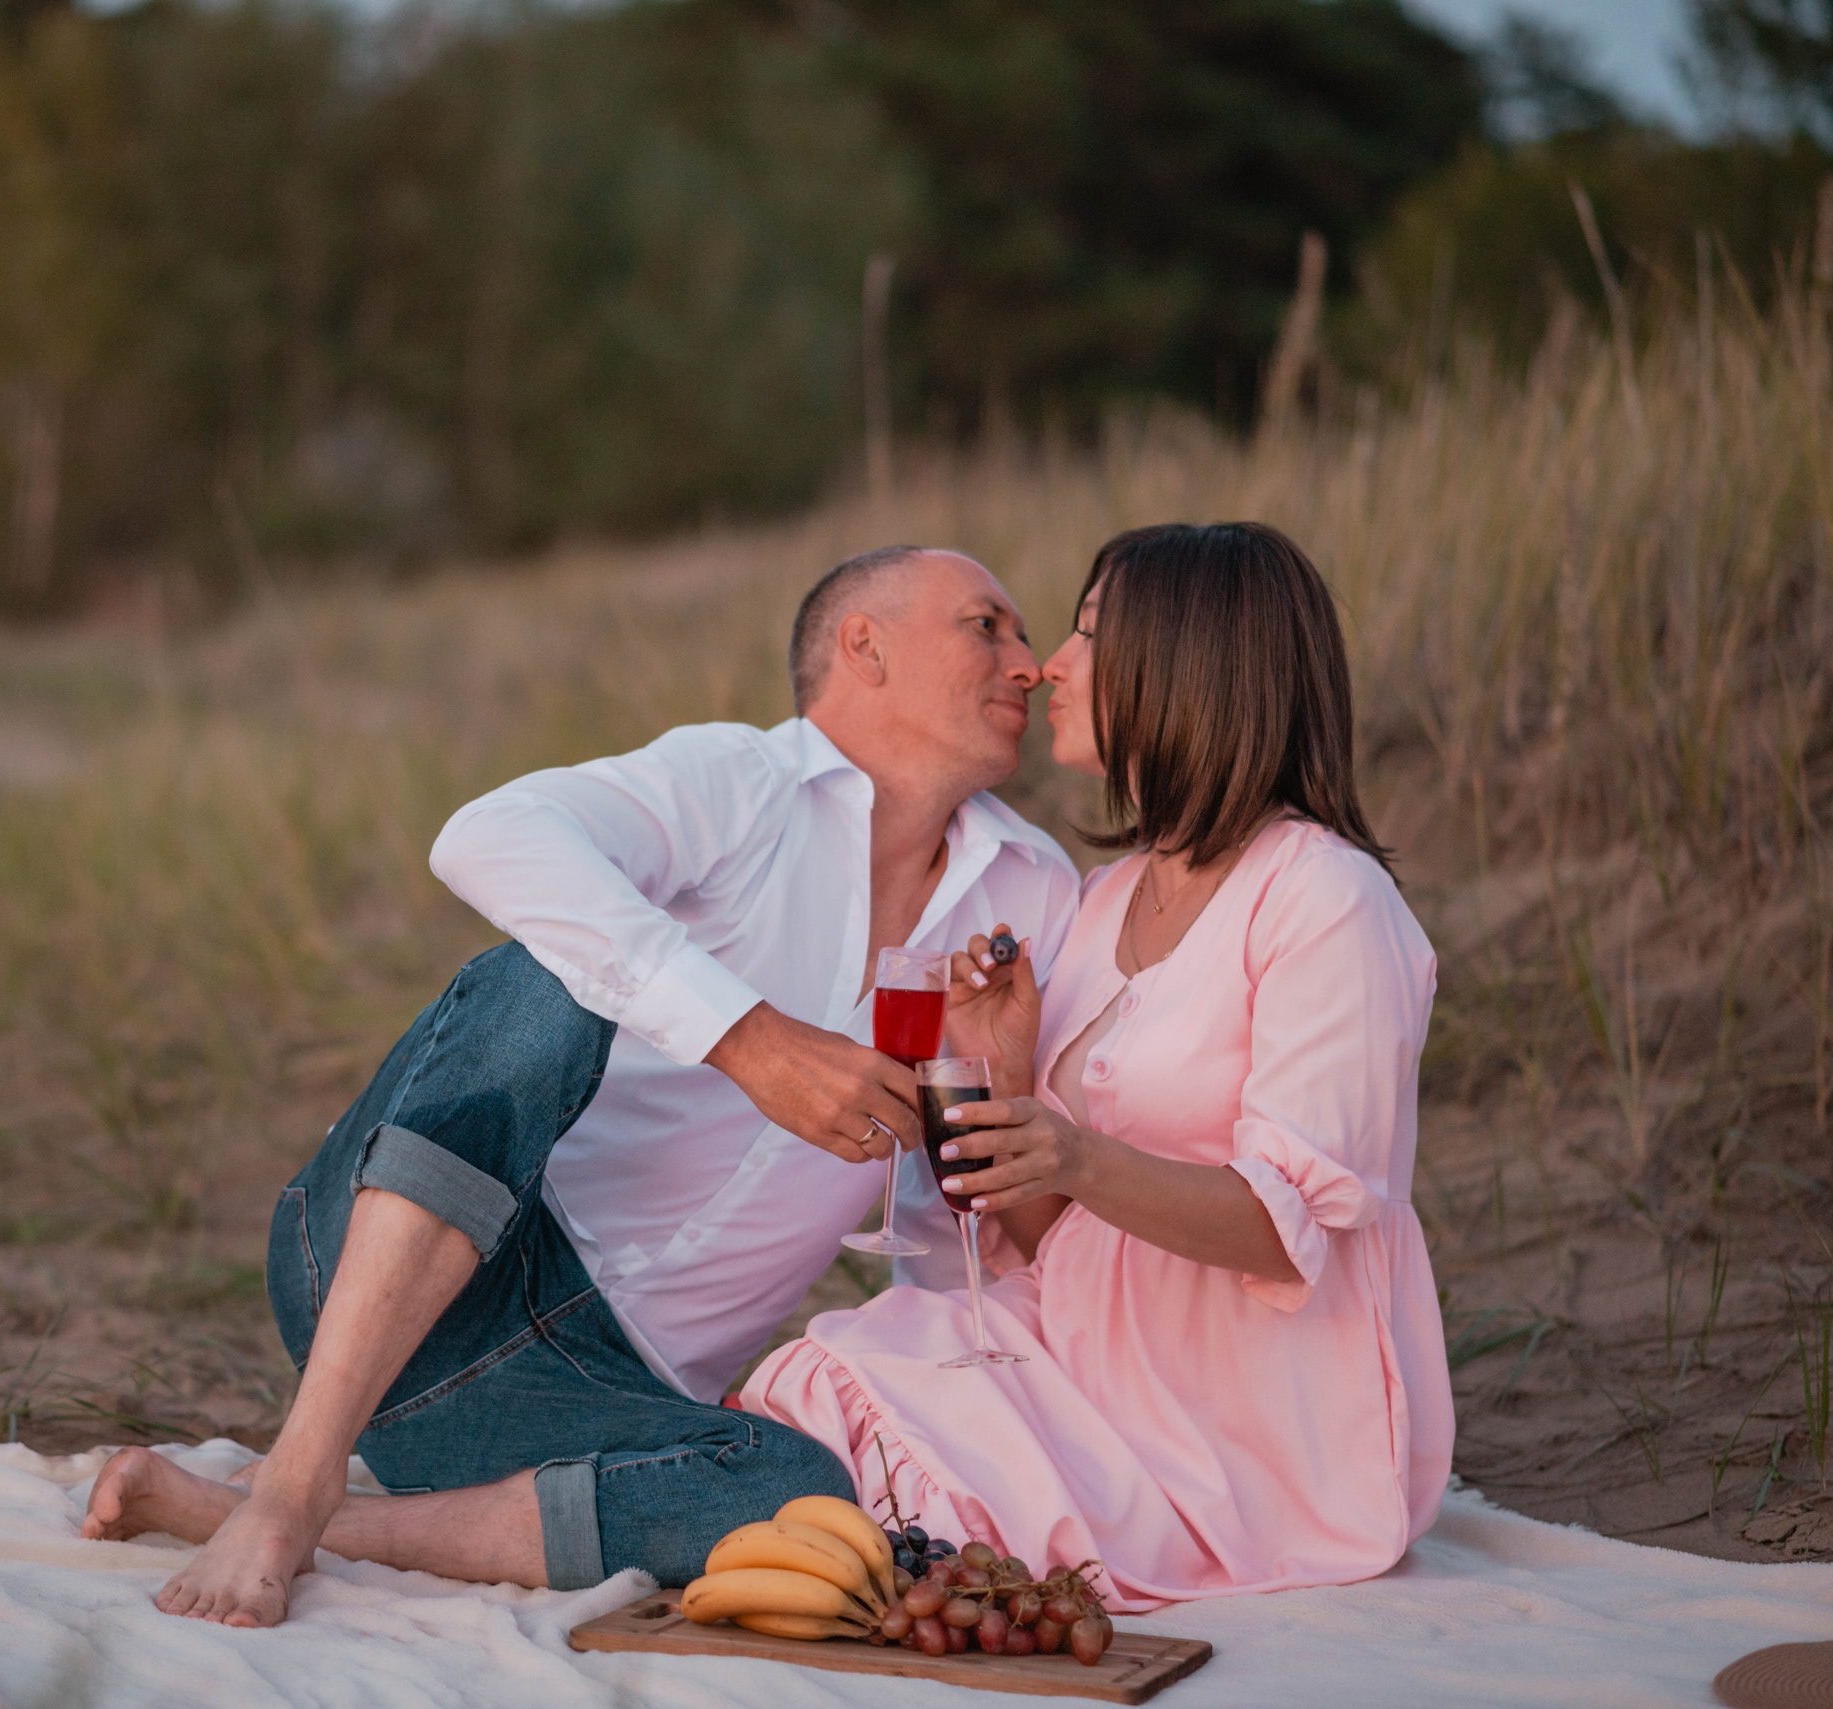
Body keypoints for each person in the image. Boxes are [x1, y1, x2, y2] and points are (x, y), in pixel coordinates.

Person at [79, 545, 1081, 1626]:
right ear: (865, 645)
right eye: (989, 625)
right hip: (409, 1265)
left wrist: (988, 1088)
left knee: (796, 1492)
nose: (1027, 664)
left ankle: (259, 1513)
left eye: (1026, 639)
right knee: (545, 978)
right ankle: (292, 1478)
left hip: (586, 1399)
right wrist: (747, 1039)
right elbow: (489, 836)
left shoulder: (1032, 890)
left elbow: (947, 1239)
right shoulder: (741, 781)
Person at [741, 521, 1454, 1608]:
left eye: (1083, 634)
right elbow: (1057, 1247)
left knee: (883, 1482)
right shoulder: (1108, 896)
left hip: (1250, 1421)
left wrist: (1070, 1150)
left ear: (1187, 665)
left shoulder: (1326, 899)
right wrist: (1008, 1079)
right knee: (814, 1387)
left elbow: (1284, 1223)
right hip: (1089, 1353)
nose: (1046, 666)